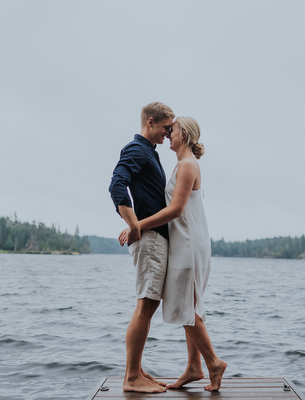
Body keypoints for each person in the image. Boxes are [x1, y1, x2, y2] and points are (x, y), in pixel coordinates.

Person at [119, 116, 227, 391]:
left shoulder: (188, 165)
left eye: (173, 130)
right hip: (185, 241)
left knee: (186, 307)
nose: (169, 134)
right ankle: (194, 367)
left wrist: (137, 225)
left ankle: (214, 363)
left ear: (186, 135)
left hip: (188, 244)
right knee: (189, 307)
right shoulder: (183, 164)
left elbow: (176, 209)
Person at [109, 101, 175, 393]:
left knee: (147, 305)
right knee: (145, 305)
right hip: (149, 240)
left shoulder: (150, 152)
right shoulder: (136, 149)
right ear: (150, 122)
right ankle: (131, 377)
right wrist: (134, 224)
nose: (168, 133)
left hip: (153, 237)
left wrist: (137, 224)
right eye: (165, 127)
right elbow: (116, 185)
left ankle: (136, 370)